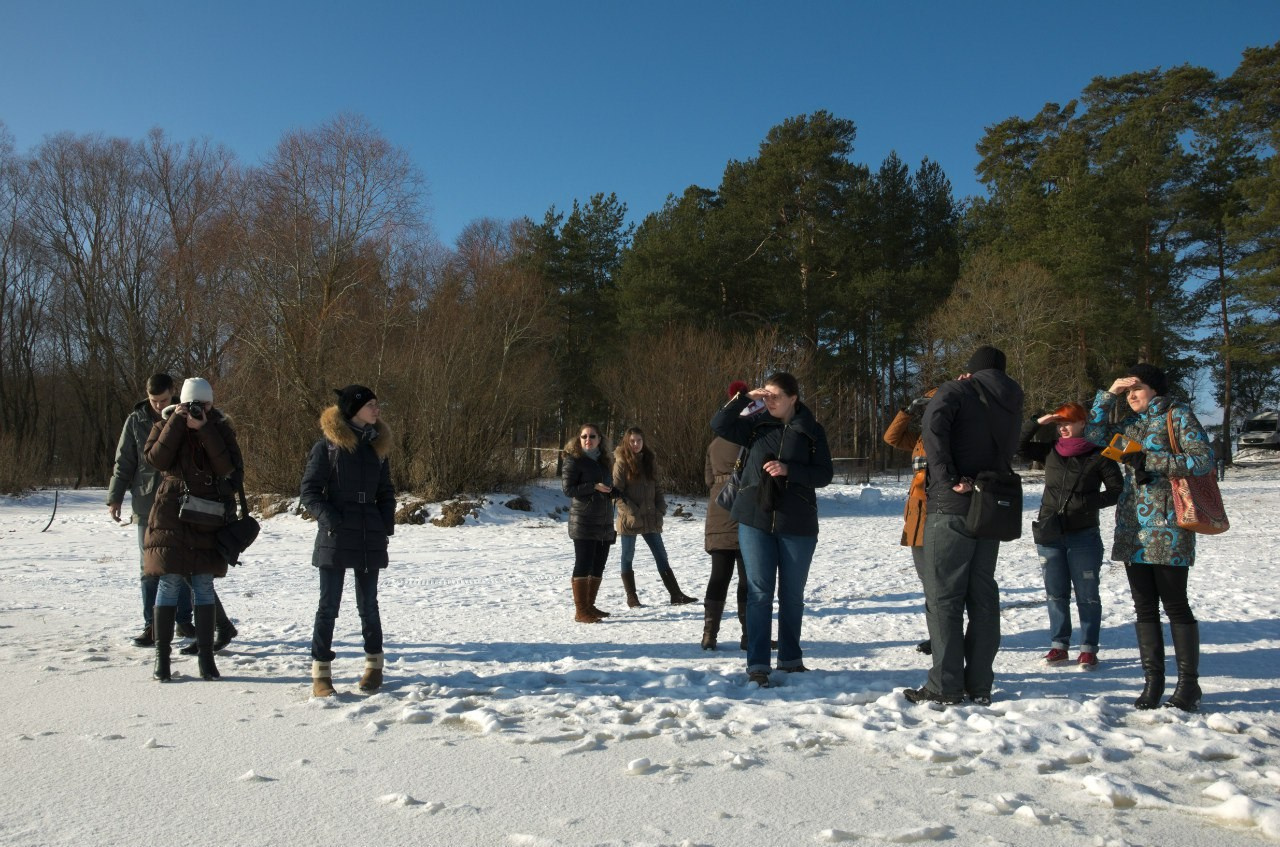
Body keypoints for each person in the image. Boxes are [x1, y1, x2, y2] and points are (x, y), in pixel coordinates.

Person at [1085, 363, 1213, 712]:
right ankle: (1153, 682)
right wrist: (1108, 395)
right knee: (1144, 607)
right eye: (1127, 392)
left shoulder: (1178, 416)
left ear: (1155, 388)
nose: (1131, 395)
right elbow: (1093, 434)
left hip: (1170, 527)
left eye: (1136, 388)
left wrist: (1150, 459)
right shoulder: (1129, 424)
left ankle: (1188, 685)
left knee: (1174, 604)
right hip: (1133, 530)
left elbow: (1203, 460)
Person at [906, 345, 1024, 707]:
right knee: (983, 596)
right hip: (990, 506)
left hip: (953, 505)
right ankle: (980, 684)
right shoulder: (1013, 397)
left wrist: (946, 478)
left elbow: (932, 430)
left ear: (971, 370)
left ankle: (945, 685)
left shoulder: (956, 390)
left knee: (944, 598)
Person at [711, 372, 833, 687]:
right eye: (767, 395)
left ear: (794, 397)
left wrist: (790, 470)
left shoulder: (812, 430)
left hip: (798, 523)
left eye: (776, 396)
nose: (770, 401)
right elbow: (720, 425)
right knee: (759, 593)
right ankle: (758, 665)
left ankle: (791, 659)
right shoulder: (757, 422)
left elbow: (824, 474)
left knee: (792, 595)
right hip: (755, 519)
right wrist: (745, 399)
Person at [143, 378, 243, 682]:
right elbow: (156, 459)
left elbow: (229, 468)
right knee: (169, 583)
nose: (200, 409)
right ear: (181, 403)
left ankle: (206, 658)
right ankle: (162, 659)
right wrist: (176, 420)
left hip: (207, 515)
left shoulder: (220, 427)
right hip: (171, 514)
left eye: (206, 404)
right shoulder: (166, 424)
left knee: (202, 584)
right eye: (192, 404)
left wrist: (205, 429)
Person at [301, 385, 395, 698]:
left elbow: (386, 492)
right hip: (336, 536)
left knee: (368, 604)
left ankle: (374, 666)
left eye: (376, 404)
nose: (376, 409)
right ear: (354, 409)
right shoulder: (327, 446)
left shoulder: (377, 447)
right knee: (328, 606)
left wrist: (385, 524)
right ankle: (321, 673)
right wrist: (332, 520)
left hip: (369, 534)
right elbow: (310, 493)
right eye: (370, 404)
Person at [1018, 402, 1123, 670]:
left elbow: (1115, 490)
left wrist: (1084, 503)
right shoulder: (1051, 451)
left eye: (1068, 423)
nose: (1063, 428)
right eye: (1059, 424)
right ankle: (1059, 646)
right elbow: (1014, 446)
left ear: (1082, 423)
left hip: (1083, 535)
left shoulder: (1100, 455)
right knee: (1056, 593)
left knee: (1087, 594)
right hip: (1049, 532)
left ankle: (1088, 649)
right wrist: (1037, 422)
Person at [108, 373, 193, 646]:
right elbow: (124, 462)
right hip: (146, 504)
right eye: (154, 400)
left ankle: (183, 620)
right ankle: (152, 625)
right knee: (149, 566)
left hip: (181, 501)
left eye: (164, 400)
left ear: (174, 393)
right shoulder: (135, 421)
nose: (158, 406)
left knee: (181, 564)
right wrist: (115, 497)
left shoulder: (186, 414)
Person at [613, 426, 697, 607]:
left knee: (661, 555)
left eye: (639, 441)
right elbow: (616, 494)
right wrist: (632, 513)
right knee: (627, 556)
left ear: (644, 442)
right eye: (632, 441)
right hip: (630, 519)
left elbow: (657, 488)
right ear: (627, 443)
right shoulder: (621, 463)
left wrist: (661, 508)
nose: (636, 444)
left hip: (651, 517)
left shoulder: (650, 461)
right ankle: (632, 597)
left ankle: (676, 595)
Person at [882, 387, 936, 655]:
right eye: (926, 409)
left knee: (944, 585)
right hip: (917, 521)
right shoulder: (920, 439)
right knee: (929, 584)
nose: (930, 414)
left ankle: (948, 636)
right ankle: (937, 636)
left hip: (940, 517)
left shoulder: (953, 437)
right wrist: (907, 411)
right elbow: (891, 437)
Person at [701, 381, 752, 651]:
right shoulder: (749, 437)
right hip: (745, 511)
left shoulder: (713, 444)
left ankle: (709, 634)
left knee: (718, 576)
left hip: (718, 510)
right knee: (747, 579)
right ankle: (748, 635)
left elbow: (708, 480)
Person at [562, 424, 617, 623]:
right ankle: (581, 611)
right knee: (583, 564)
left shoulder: (604, 461)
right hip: (583, 521)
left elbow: (608, 487)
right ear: (579, 439)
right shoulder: (574, 460)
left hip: (603, 521)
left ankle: (590, 606)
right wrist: (593, 486)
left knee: (598, 565)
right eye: (584, 436)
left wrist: (613, 491)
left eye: (592, 436)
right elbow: (568, 490)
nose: (588, 439)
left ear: (599, 439)